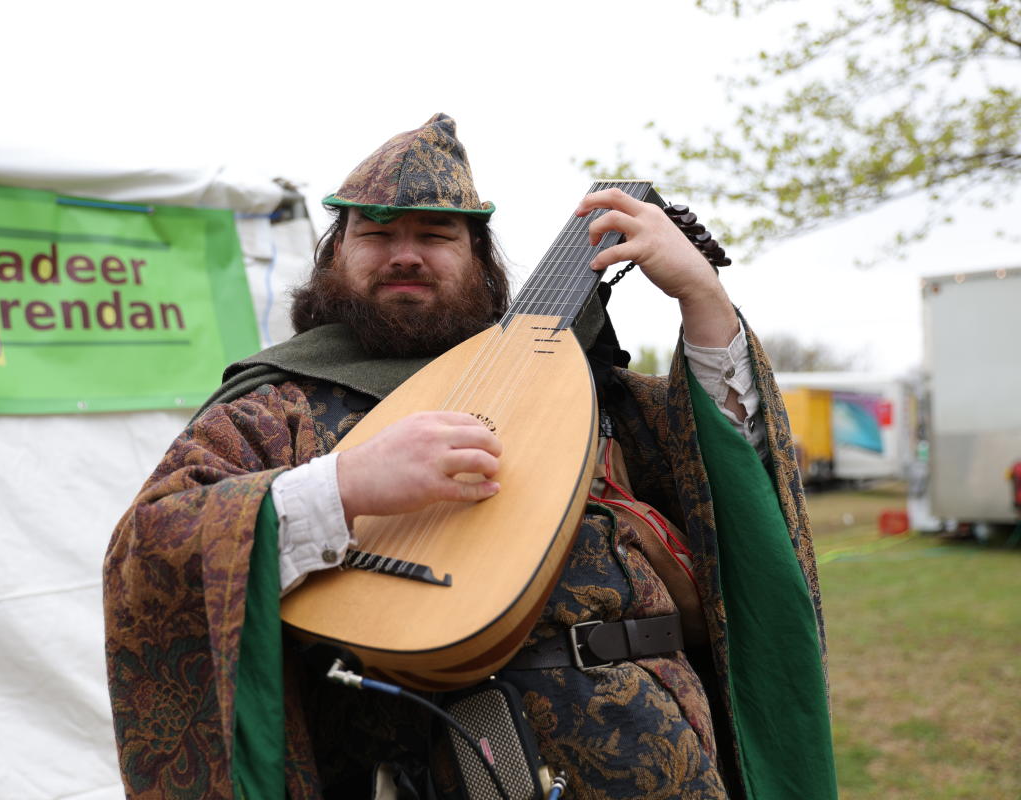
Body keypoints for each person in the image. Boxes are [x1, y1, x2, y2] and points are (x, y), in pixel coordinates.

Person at [104, 114, 837, 799]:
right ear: (335, 255)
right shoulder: (275, 406)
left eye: (436, 234)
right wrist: (345, 483)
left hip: (663, 753)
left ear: (481, 258)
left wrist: (702, 297)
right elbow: (151, 548)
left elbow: (734, 477)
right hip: (450, 758)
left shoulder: (587, 388)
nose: (405, 255)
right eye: (376, 233)